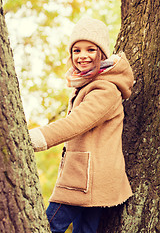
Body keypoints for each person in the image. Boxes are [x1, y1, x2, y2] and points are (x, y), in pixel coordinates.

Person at [29, 16, 134, 233]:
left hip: (86, 179)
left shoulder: (105, 90)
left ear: (102, 53)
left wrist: (34, 138)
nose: (82, 56)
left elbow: (76, 123)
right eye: (76, 50)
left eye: (90, 50)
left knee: (47, 226)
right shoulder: (90, 85)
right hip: (87, 176)